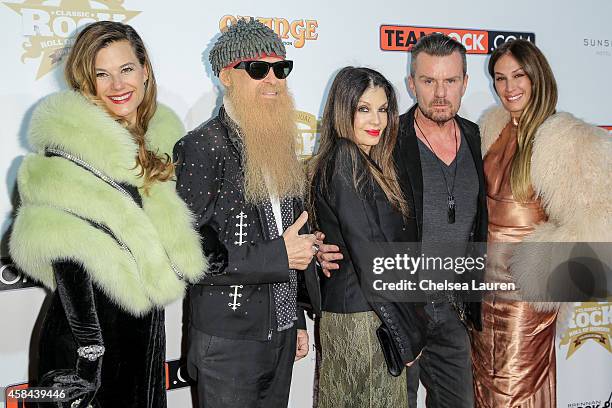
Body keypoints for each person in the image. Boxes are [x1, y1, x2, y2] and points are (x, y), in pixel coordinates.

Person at [8, 21, 206, 408]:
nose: (118, 85)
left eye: (126, 69)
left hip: (144, 330)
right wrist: (89, 353)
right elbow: (68, 260)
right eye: (103, 74)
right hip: (87, 337)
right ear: (87, 81)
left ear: (145, 70)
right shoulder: (68, 151)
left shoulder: (161, 142)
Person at [317, 33, 487, 408]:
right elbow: (348, 212)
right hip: (400, 306)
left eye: (450, 81)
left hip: (454, 308)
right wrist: (318, 243)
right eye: (428, 81)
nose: (440, 92)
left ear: (465, 84)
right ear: (412, 84)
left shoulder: (475, 135)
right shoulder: (389, 138)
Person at [173, 18, 321, 408]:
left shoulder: (281, 144)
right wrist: (280, 256)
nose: (273, 79)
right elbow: (186, 253)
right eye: (258, 69)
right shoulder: (201, 147)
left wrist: (296, 318)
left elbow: (289, 234)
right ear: (227, 76)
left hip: (280, 334)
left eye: (281, 68)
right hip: (229, 343)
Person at [471, 39, 611, 408]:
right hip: (482, 293)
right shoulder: (491, 130)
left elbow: (598, 219)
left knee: (514, 391)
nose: (509, 87)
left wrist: (542, 274)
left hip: (524, 297)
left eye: (519, 76)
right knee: (483, 389)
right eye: (500, 78)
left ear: (538, 77)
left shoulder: (564, 138)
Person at [310, 67, 423, 407]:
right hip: (365, 321)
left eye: (383, 109)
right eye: (363, 108)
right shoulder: (346, 157)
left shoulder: (360, 161)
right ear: (343, 111)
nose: (377, 119)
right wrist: (405, 336)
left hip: (358, 316)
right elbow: (369, 255)